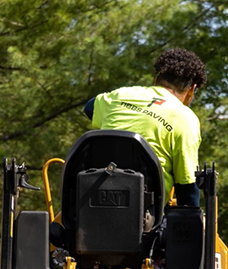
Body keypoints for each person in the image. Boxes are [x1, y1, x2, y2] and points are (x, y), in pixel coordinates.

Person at [83, 48, 207, 207]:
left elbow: (89, 108)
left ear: (156, 80)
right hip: (147, 218)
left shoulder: (120, 95)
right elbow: (187, 186)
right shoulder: (185, 118)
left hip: (91, 202)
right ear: (192, 90)